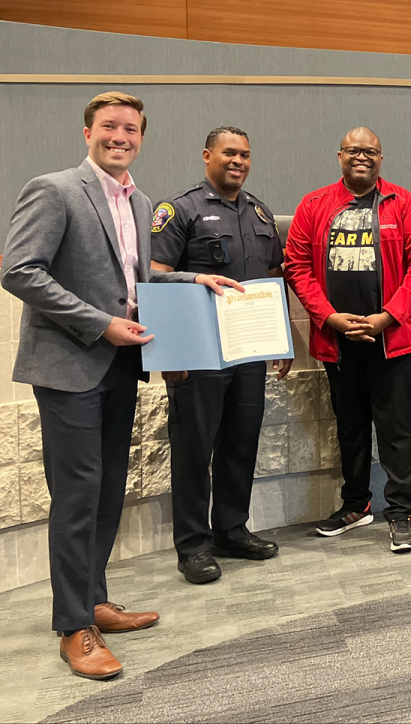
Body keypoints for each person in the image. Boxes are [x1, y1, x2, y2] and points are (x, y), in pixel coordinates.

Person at [1, 92, 240, 680]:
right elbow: (18, 269)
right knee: (79, 494)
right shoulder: (54, 189)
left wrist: (192, 276)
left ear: (140, 136)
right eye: (109, 126)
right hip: (70, 367)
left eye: (130, 128)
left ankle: (95, 601)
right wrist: (98, 323)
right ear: (87, 132)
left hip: (119, 367)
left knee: (108, 489)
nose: (120, 136)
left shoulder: (136, 200)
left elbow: (134, 281)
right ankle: (73, 625)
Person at [150, 126, 291, 585]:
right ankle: (192, 547)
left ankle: (231, 530)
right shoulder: (178, 210)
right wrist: (194, 281)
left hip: (248, 350)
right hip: (197, 352)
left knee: (240, 442)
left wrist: (281, 339)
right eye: (229, 153)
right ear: (207, 154)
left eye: (245, 155)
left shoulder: (261, 212)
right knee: (194, 450)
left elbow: (273, 277)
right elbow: (152, 275)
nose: (238, 161)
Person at [286, 127, 411, 554]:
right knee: (350, 430)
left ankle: (401, 511)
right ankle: (355, 505)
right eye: (354, 150)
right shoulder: (314, 205)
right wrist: (329, 317)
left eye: (370, 151)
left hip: (393, 342)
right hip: (338, 343)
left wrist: (387, 317)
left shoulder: (403, 204)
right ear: (339, 156)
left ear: (381, 158)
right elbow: (296, 265)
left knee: (395, 431)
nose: (362, 157)